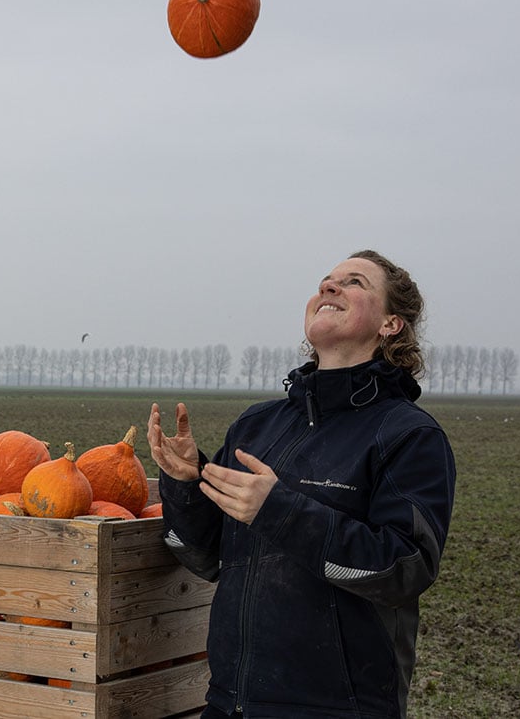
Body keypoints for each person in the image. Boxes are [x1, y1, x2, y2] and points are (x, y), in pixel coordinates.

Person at [148, 250, 455, 719]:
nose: (328, 288)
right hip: (230, 705)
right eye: (325, 281)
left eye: (353, 282)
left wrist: (280, 511)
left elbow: (404, 570)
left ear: (391, 324)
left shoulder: (407, 434)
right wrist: (186, 483)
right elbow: (206, 557)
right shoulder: (258, 425)